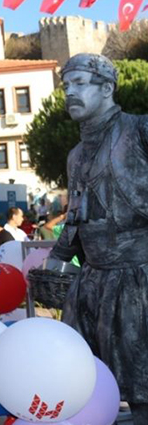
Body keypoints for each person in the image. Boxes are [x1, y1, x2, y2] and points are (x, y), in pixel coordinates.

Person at [49, 53, 148, 423]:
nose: (69, 93)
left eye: (79, 84)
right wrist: (58, 255)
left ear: (107, 88)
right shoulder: (75, 155)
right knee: (80, 382)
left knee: (142, 387)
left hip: (139, 278)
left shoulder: (139, 130)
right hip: (91, 283)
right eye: (65, 86)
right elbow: (76, 213)